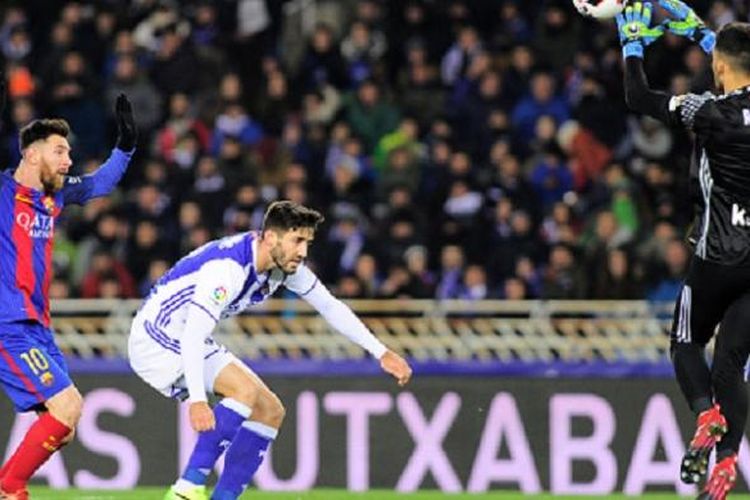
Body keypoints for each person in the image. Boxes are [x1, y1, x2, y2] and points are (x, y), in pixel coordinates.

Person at [128, 200, 412, 500]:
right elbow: (194, 334)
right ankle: (186, 490)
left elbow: (329, 306)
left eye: (308, 242)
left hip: (186, 335)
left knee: (270, 410)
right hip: (157, 336)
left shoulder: (283, 266)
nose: (303, 252)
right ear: (271, 238)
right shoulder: (229, 269)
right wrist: (198, 400)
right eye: (297, 241)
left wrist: (381, 351)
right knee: (244, 392)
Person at [617, 3, 750, 498]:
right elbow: (738, 59)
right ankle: (728, 460)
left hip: (717, 256)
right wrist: (700, 32)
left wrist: (632, 41)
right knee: (731, 364)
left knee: (686, 342)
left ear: (719, 67)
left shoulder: (707, 111)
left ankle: (705, 412)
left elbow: (638, 96)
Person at [0, 80, 137, 499]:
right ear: (31, 153)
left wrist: (126, 146)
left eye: (70, 152)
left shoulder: (53, 197)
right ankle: (9, 489)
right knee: (68, 407)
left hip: (37, 326)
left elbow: (99, 184)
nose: (68, 160)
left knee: (66, 425)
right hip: (8, 323)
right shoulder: (4, 192)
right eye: (60, 151)